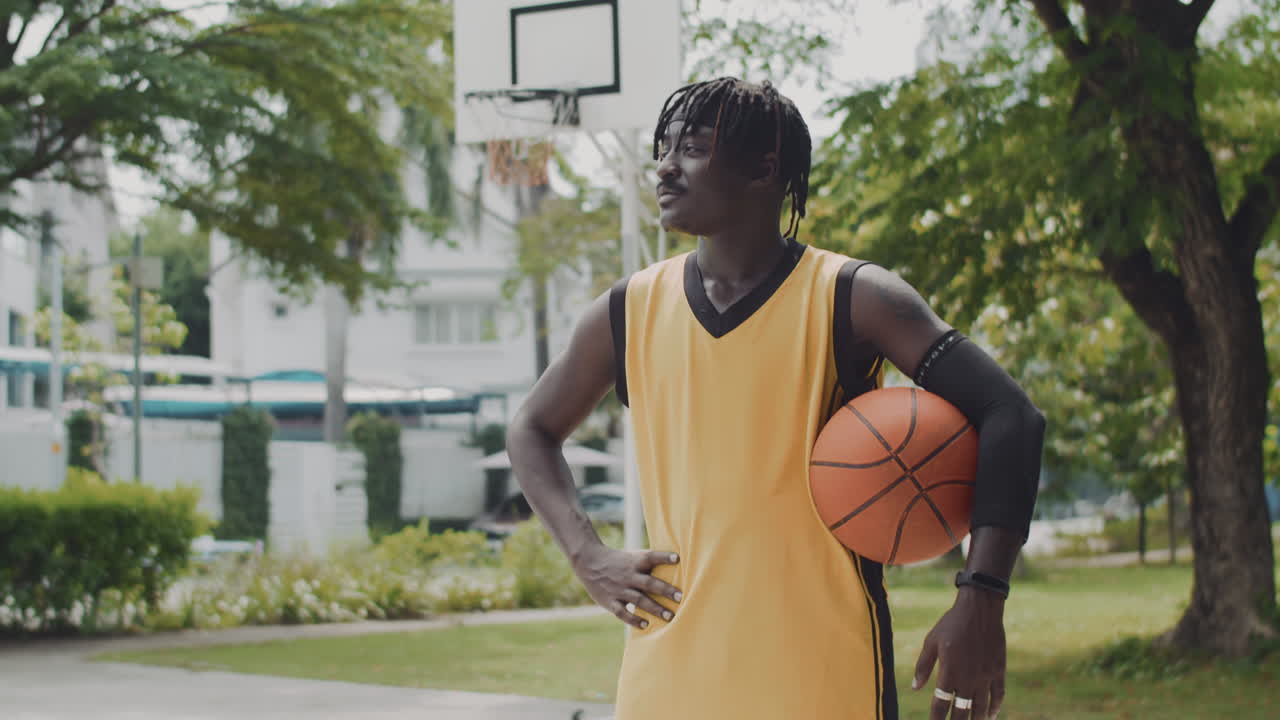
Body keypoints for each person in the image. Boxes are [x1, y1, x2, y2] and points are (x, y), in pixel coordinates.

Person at [506, 77, 1046, 720]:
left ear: (765, 169)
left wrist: (981, 598)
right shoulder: (628, 310)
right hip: (668, 675)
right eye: (664, 148)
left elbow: (1010, 413)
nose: (666, 167)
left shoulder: (854, 297)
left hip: (822, 671)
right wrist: (586, 554)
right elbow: (531, 429)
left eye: (694, 149)